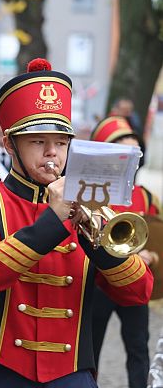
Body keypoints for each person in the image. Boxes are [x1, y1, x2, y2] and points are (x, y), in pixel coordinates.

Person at [0, 58, 153, 388]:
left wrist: (94, 240)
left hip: (71, 372)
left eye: (61, 143)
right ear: (10, 144)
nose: (52, 154)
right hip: (0, 371)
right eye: (38, 142)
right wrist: (54, 220)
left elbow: (139, 291)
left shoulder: (92, 205)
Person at [90, 115, 160, 388]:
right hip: (99, 282)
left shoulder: (146, 196)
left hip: (134, 281)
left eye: (134, 151)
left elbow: (155, 238)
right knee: (90, 347)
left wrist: (152, 256)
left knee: (138, 347)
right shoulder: (92, 194)